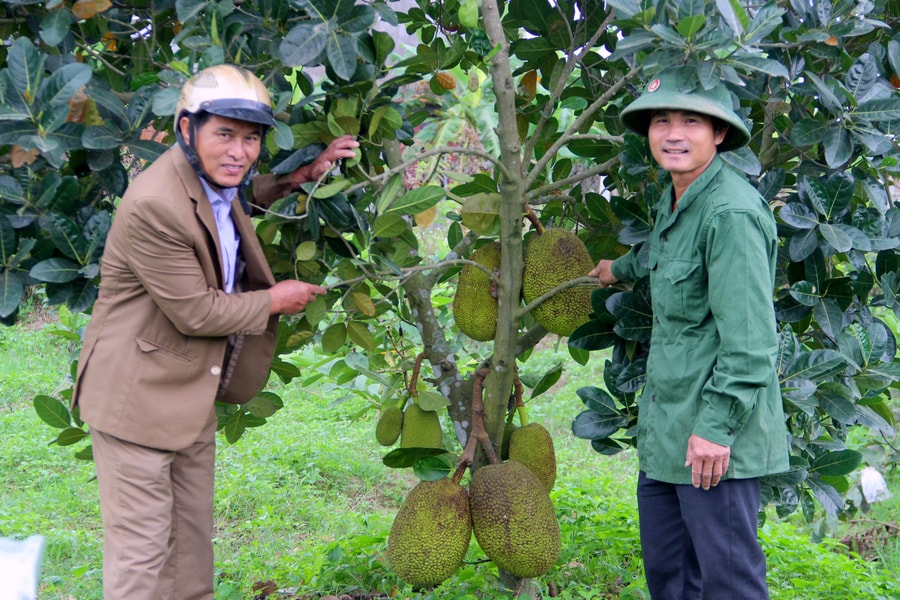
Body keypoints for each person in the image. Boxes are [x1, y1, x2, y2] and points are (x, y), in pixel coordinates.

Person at [72, 64, 359, 599]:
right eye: (224, 134)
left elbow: (231, 206)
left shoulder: (209, 181)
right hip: (136, 401)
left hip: (186, 396)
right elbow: (197, 314)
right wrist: (275, 300)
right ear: (187, 130)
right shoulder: (155, 204)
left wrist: (296, 178)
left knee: (190, 555)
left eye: (251, 139)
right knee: (143, 559)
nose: (239, 152)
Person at [590, 70, 790, 599]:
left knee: (727, 584)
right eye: (661, 121)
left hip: (712, 436)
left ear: (718, 133)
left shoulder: (731, 214)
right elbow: (667, 252)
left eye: (690, 121)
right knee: (671, 577)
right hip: (668, 428)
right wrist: (620, 268)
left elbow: (751, 344)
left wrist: (715, 429)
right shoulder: (679, 195)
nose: (673, 134)